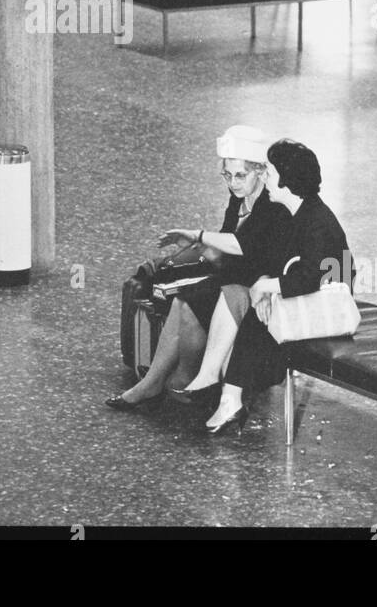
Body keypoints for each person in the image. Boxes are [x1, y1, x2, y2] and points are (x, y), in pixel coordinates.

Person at [105, 125, 293, 411]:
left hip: (252, 294)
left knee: (193, 301)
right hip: (232, 282)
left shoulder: (274, 209)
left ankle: (181, 378)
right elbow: (226, 258)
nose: (233, 183)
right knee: (182, 300)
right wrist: (201, 249)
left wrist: (199, 236)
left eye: (241, 175)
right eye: (227, 175)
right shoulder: (238, 201)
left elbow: (243, 246)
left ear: (262, 173)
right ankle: (154, 382)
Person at [205, 140, 350, 435]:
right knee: (257, 310)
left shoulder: (316, 222)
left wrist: (270, 287)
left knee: (258, 319)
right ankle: (230, 397)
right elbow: (285, 265)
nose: (266, 178)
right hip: (310, 299)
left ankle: (231, 398)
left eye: (270, 172)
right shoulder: (301, 213)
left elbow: (317, 276)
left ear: (287, 180)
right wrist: (267, 287)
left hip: (328, 309)